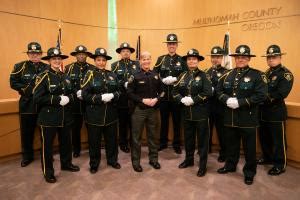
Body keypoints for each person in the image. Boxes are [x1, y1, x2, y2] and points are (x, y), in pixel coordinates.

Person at [216, 45, 267, 185]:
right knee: (231, 145)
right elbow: (218, 92)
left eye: (244, 57)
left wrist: (241, 102)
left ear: (249, 58)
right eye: (238, 57)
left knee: (249, 148)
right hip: (230, 117)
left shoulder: (257, 75)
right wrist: (227, 99)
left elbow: (261, 95)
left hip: (247, 118)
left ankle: (249, 172)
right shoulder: (227, 74)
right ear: (235, 58)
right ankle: (230, 165)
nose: (240, 59)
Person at [33, 47, 80, 183]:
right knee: (47, 148)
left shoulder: (65, 76)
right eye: (54, 59)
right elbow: (37, 98)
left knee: (66, 143)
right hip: (48, 118)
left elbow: (71, 93)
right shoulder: (43, 76)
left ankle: (66, 164)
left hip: (65, 117)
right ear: (49, 60)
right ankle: (48, 172)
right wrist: (57, 99)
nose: (57, 61)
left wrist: (69, 98)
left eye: (59, 59)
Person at [173, 48, 212, 177]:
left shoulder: (204, 75)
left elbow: (208, 92)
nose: (191, 61)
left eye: (194, 59)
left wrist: (193, 100)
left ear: (198, 61)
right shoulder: (182, 75)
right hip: (186, 113)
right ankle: (189, 160)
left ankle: (202, 165)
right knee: (188, 139)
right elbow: (174, 92)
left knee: (202, 141)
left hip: (200, 113)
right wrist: (182, 99)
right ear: (187, 61)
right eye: (189, 59)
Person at [81, 48, 121, 174]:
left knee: (112, 140)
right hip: (94, 115)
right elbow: (84, 95)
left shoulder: (112, 74)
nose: (101, 62)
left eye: (103, 60)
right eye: (98, 60)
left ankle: (112, 160)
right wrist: (100, 98)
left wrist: (113, 96)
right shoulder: (89, 74)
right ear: (95, 61)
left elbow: (119, 91)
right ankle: (94, 163)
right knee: (94, 141)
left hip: (110, 114)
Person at [10, 42, 49, 167]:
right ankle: (27, 156)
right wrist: (27, 89)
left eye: (37, 53)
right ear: (28, 54)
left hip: (43, 106)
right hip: (27, 105)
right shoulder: (20, 66)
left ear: (41, 54)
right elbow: (13, 82)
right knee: (27, 133)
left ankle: (46, 155)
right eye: (32, 53)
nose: (35, 55)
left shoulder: (47, 67)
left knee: (46, 133)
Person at [258, 45, 293, 176]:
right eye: (269, 57)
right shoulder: (266, 73)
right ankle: (267, 157)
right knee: (264, 138)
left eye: (274, 57)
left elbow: (281, 94)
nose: (271, 59)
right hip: (263, 112)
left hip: (276, 112)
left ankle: (280, 164)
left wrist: (260, 98)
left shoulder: (286, 74)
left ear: (280, 57)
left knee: (279, 141)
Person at [127, 51, 162, 172]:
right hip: (139, 111)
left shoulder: (156, 75)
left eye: (148, 59)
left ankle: (154, 160)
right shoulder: (134, 76)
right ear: (140, 61)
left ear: (150, 60)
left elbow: (162, 91)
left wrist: (157, 99)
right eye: (144, 59)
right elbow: (129, 93)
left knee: (153, 136)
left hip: (153, 110)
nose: (146, 61)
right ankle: (136, 162)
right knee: (136, 138)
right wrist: (143, 100)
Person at [154, 33, 187, 154]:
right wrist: (162, 80)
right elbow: (155, 74)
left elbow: (185, 76)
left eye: (174, 44)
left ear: (177, 45)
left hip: (176, 97)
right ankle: (162, 143)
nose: (171, 46)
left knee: (177, 122)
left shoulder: (182, 60)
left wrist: (175, 79)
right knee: (164, 121)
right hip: (163, 96)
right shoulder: (161, 59)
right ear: (167, 45)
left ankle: (176, 144)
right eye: (169, 44)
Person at [65, 45, 94, 158]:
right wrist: (76, 92)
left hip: (89, 104)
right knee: (75, 129)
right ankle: (76, 149)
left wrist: (85, 94)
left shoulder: (92, 68)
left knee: (91, 129)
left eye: (83, 54)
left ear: (86, 55)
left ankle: (92, 149)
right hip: (75, 105)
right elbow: (66, 85)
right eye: (79, 54)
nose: (81, 56)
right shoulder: (68, 68)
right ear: (76, 55)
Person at [111, 42, 140, 153]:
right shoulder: (115, 65)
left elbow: (139, 78)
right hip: (121, 99)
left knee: (134, 124)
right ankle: (123, 143)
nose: (125, 53)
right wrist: (123, 83)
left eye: (127, 51)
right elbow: (112, 80)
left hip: (134, 99)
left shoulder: (136, 64)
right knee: (122, 123)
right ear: (120, 53)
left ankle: (134, 143)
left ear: (130, 53)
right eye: (123, 51)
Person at [205, 46, 228, 161]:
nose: (215, 59)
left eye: (218, 57)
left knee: (221, 131)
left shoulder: (226, 72)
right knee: (207, 129)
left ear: (222, 58)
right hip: (208, 106)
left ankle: (223, 152)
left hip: (220, 106)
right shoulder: (206, 72)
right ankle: (206, 148)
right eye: (213, 57)